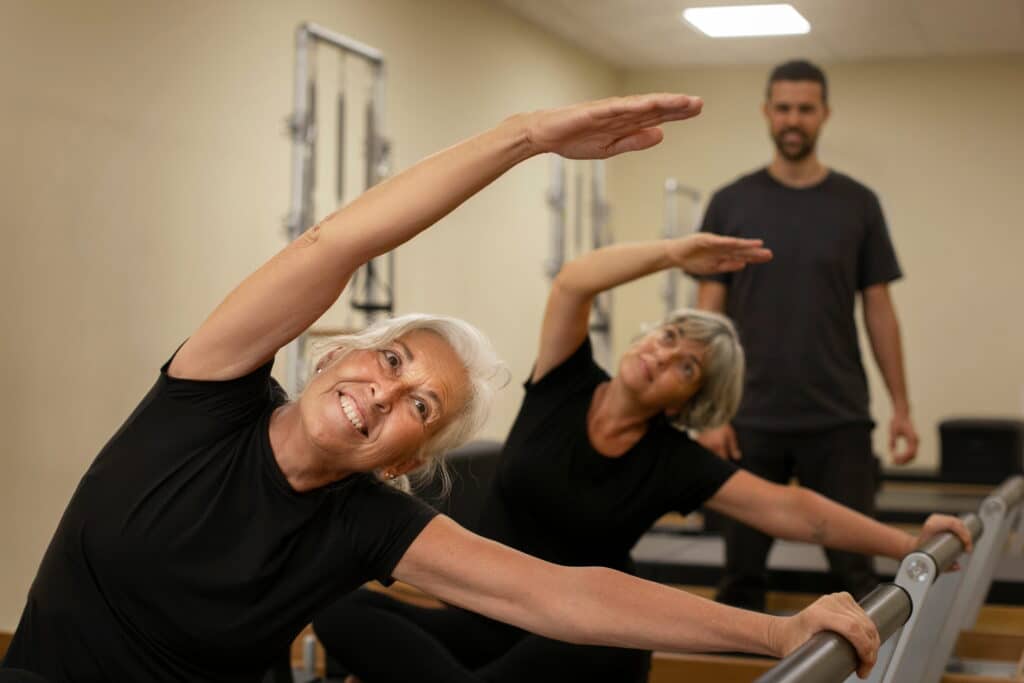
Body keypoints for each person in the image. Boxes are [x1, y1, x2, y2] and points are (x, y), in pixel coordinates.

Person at [1, 94, 886, 683]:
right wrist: (525, 137)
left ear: (404, 462)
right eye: (392, 361)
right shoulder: (209, 396)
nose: (387, 395)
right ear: (334, 353)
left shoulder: (364, 520)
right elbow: (335, 244)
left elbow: (565, 594)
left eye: (421, 407)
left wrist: (774, 631)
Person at [311, 233, 969, 683]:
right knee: (341, 608)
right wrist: (676, 252)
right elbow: (574, 283)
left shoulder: (674, 460)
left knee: (590, 646)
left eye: (686, 366)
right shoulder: (565, 381)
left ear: (691, 401)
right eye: (670, 336)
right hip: (485, 619)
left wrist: (910, 543)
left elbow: (795, 511)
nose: (663, 354)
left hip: (581, 638)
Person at [694, 60, 918, 612]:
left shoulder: (858, 203)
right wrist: (709, 412)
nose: (793, 119)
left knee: (858, 577)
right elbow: (708, 312)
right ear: (767, 113)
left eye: (805, 109)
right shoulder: (731, 202)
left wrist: (902, 407)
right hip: (748, 417)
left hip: (838, 416)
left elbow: (880, 310)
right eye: (784, 108)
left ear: (824, 115)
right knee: (740, 578)